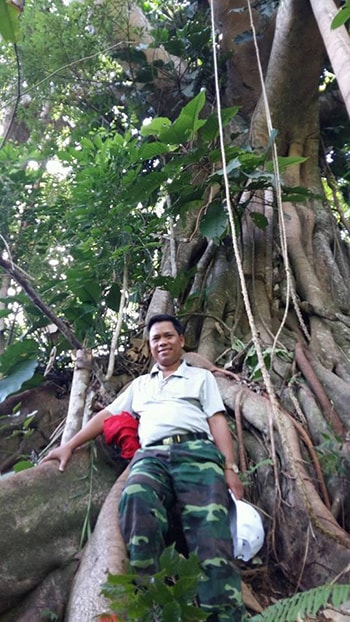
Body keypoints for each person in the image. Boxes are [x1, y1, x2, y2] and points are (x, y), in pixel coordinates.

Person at [42, 314, 245, 621]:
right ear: (150, 347)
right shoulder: (140, 385)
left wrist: (230, 467)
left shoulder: (201, 379)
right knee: (136, 500)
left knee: (211, 532)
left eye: (167, 336)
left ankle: (224, 614)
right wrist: (70, 444)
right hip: (152, 456)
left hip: (196, 453)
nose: (161, 342)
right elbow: (106, 417)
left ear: (181, 340)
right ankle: (156, 602)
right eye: (155, 339)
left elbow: (217, 420)